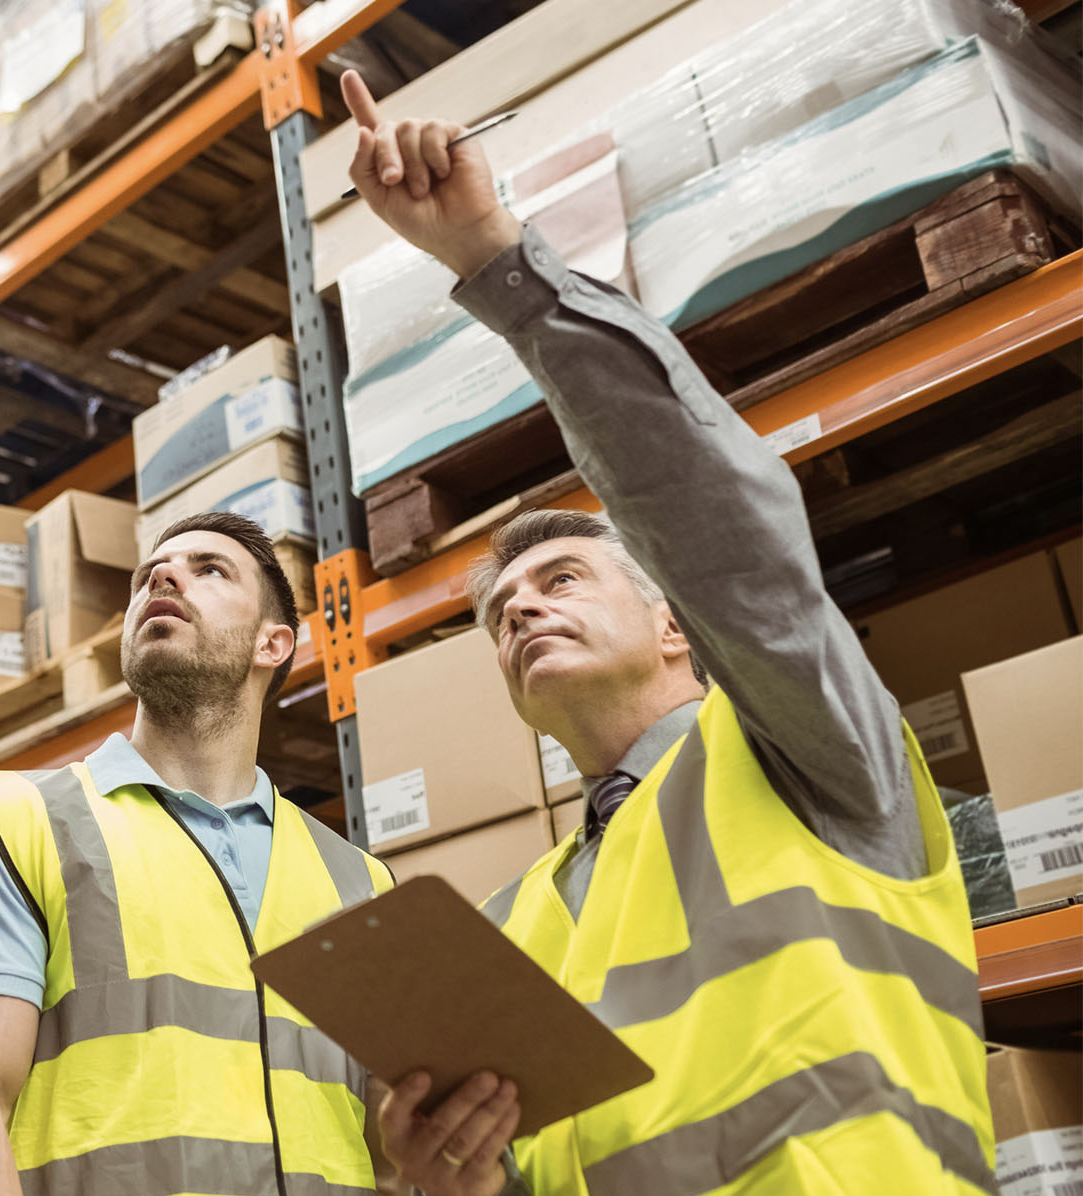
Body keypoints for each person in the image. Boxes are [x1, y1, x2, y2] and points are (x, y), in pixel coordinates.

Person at [339, 70, 994, 1196]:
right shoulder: (512, 926)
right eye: (499, 614)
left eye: (558, 577)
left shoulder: (802, 750)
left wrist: (497, 263)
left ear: (674, 622)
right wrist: (448, 1180)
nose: (521, 610)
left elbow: (707, 513)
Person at [0, 510, 395, 1196]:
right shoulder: (22, 825)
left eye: (211, 570)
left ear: (273, 643)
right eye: (150, 576)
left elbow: (392, 1143)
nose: (164, 575)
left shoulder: (358, 881)